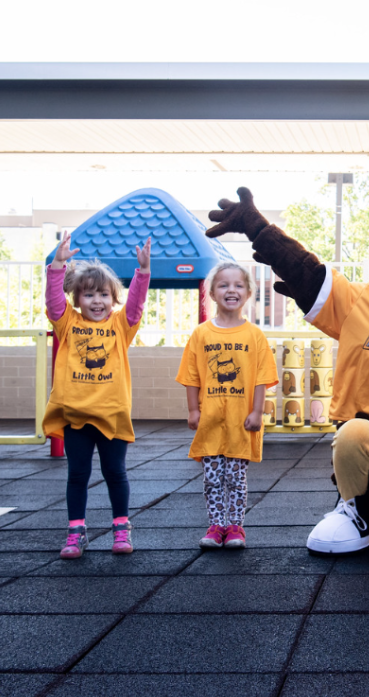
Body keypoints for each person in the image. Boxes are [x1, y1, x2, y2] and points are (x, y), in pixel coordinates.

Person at [45, 232, 151, 559]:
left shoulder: (121, 326)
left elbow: (135, 306)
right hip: (76, 415)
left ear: (112, 298)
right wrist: (58, 265)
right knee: (77, 474)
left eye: (103, 294)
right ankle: (76, 531)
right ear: (77, 299)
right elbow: (52, 301)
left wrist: (143, 273)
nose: (96, 301)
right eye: (89, 294)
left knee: (114, 472)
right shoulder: (67, 323)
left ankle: (121, 527)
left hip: (111, 414)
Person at [176, 261, 278, 549]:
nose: (231, 290)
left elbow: (261, 378)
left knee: (235, 478)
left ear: (247, 293)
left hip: (239, 421)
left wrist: (257, 411)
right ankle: (215, 526)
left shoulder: (254, 335)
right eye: (223, 285)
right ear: (212, 292)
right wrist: (193, 410)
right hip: (210, 421)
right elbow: (192, 375)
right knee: (211, 479)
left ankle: (235, 527)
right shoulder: (201, 334)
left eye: (238, 285)